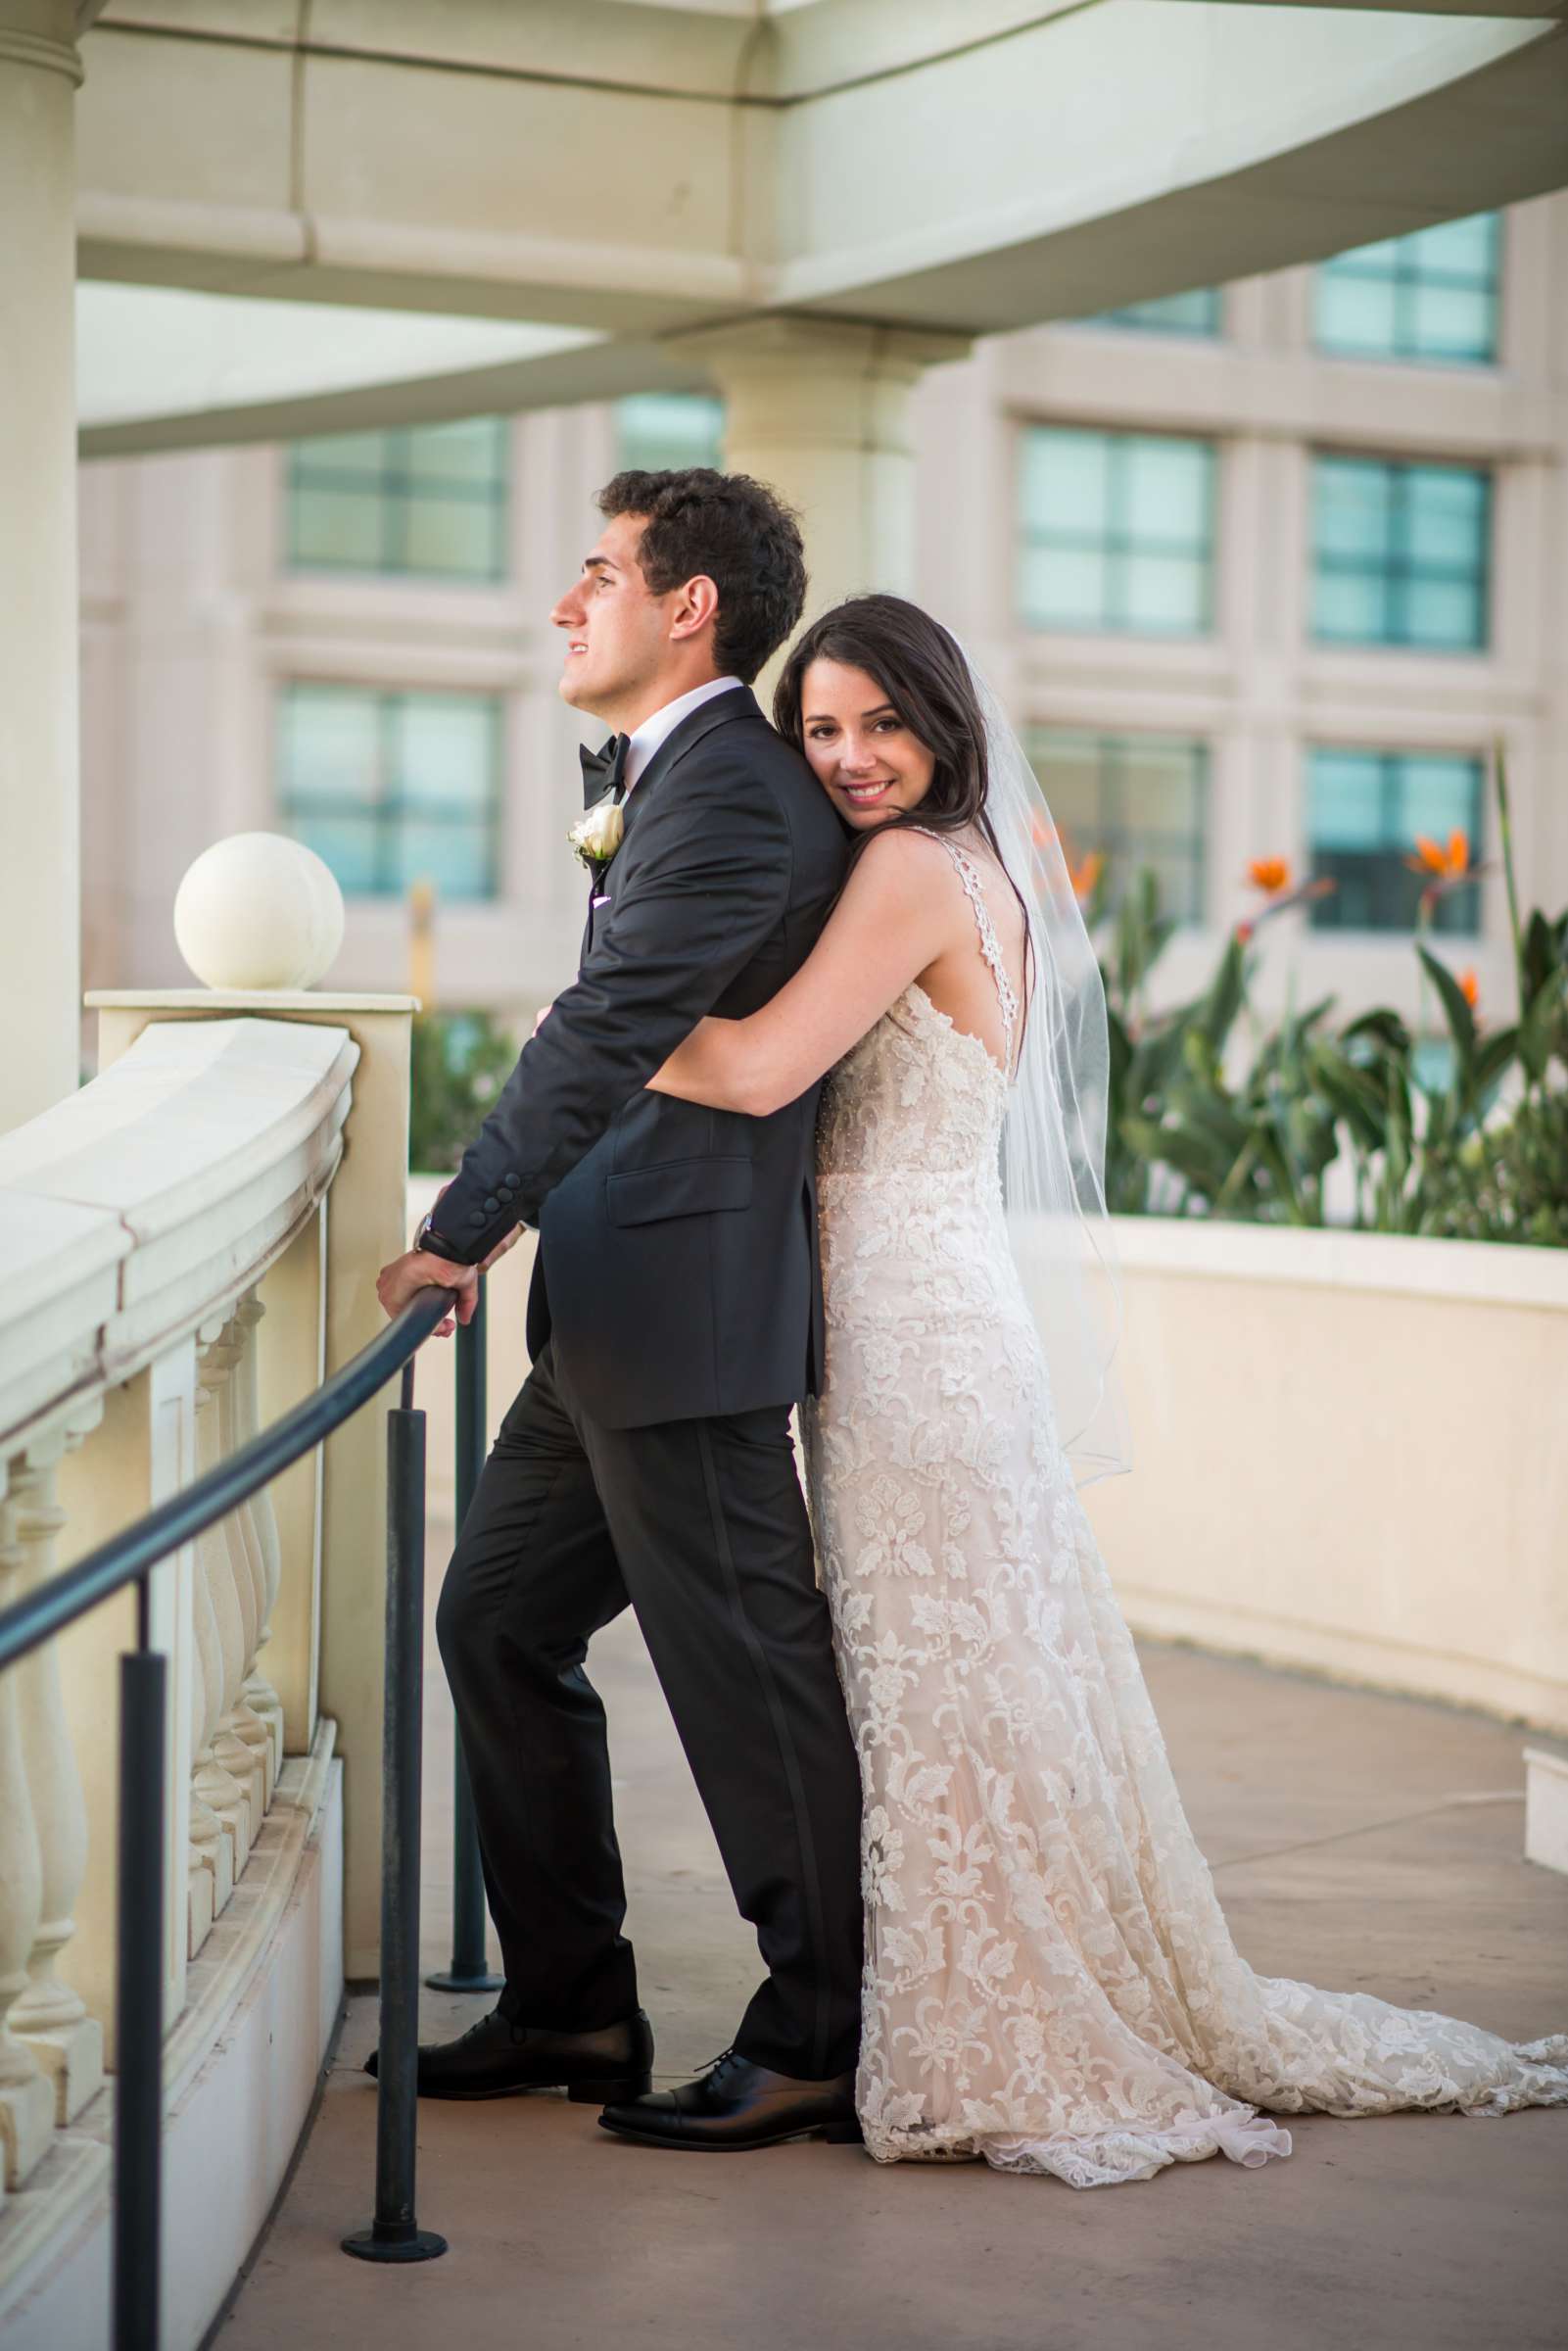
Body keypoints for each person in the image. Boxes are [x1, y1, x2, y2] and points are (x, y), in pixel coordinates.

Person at [644, 592, 1568, 2184]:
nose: (851, 758)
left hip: (904, 1328)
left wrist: (592, 1013)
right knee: (975, 1681)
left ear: (944, 726)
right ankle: (967, 1988)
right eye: (819, 729)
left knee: (930, 1687)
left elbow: (750, 1067)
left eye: (880, 723)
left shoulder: (906, 869)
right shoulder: (987, 866)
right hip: (937, 1308)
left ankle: (991, 2022)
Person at [373, 469, 866, 2154]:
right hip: (610, 1316)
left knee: (746, 1679)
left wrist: (460, 1224)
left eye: (597, 574)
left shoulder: (727, 791)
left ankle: (818, 2033)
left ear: (689, 606)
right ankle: (575, 2001)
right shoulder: (672, 779)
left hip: (689, 1309)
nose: (566, 603)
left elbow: (605, 1027)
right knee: (496, 1623)